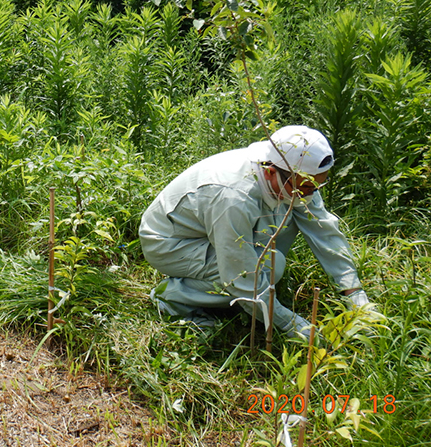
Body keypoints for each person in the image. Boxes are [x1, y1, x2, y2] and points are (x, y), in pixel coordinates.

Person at [139, 125, 371, 337]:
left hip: (208, 231)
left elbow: (323, 230)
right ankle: (171, 297)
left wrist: (355, 295)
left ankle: (235, 292)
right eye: (307, 187)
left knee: (283, 230)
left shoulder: (294, 175)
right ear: (271, 171)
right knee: (270, 266)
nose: (311, 194)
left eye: (317, 186)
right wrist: (295, 327)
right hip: (170, 243)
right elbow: (240, 277)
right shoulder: (234, 196)